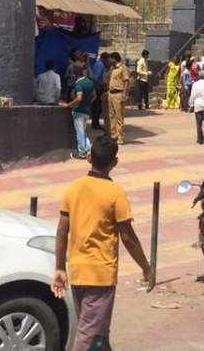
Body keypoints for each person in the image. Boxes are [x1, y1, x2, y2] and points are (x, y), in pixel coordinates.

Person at [54, 136, 154, 351]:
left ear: (89, 157)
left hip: (78, 271)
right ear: (115, 162)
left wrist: (60, 267)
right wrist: (146, 267)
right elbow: (128, 237)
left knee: (98, 333)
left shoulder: (74, 188)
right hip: (100, 276)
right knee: (88, 336)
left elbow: (62, 231)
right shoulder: (115, 193)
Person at [62, 63, 96, 159]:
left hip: (78, 111)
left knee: (79, 132)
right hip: (87, 111)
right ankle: (89, 150)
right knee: (83, 131)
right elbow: (94, 95)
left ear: (74, 74)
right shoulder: (90, 82)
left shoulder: (79, 84)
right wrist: (88, 103)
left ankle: (82, 153)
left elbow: (79, 98)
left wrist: (68, 105)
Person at [107, 53, 130, 145]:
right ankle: (113, 136)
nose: (109, 60)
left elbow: (126, 81)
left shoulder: (122, 68)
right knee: (111, 116)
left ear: (115, 58)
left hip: (118, 94)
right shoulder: (112, 69)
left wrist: (124, 94)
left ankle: (120, 137)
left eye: (111, 58)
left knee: (119, 116)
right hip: (111, 94)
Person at [89, 52, 106, 130]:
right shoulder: (101, 65)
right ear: (104, 59)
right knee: (98, 106)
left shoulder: (97, 63)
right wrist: (102, 84)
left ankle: (94, 123)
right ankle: (95, 123)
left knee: (95, 106)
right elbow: (96, 77)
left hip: (95, 87)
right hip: (98, 88)